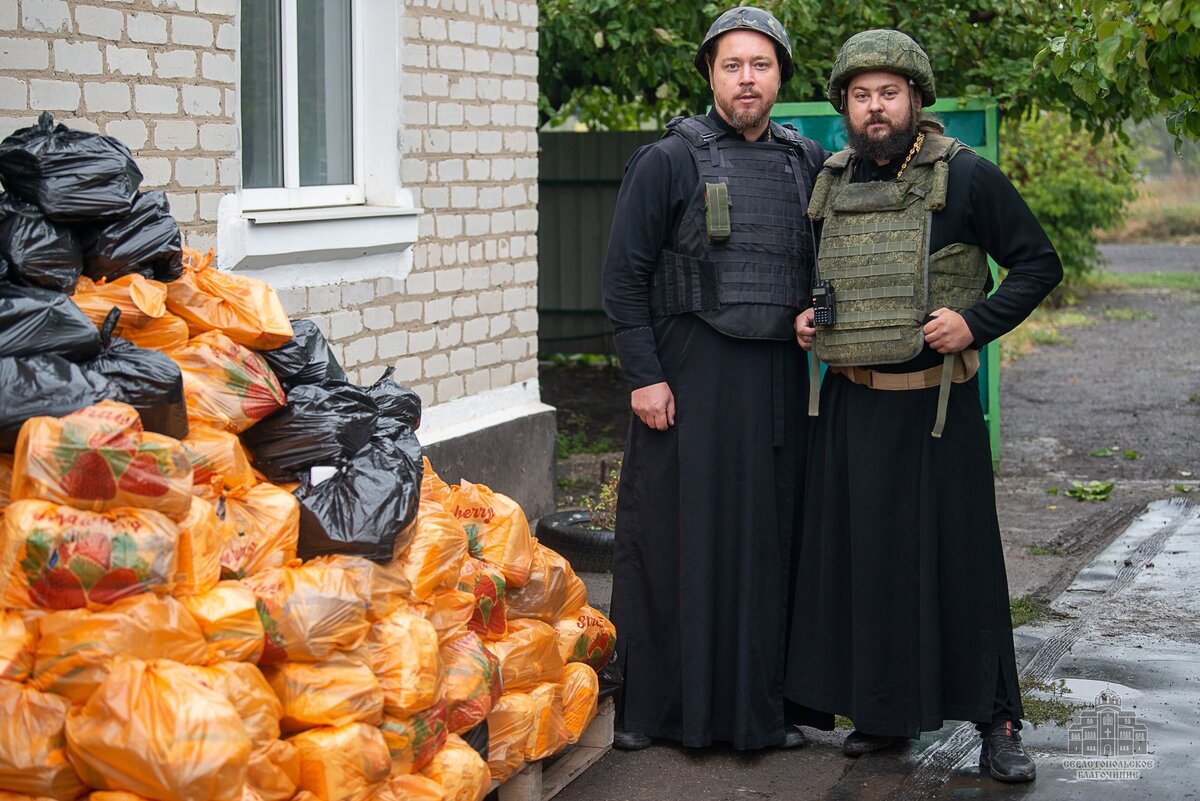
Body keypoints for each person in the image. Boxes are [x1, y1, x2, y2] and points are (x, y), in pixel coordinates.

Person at [785, 29, 1062, 783]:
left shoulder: (967, 177)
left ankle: (997, 721)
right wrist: (809, 318)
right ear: (845, 104)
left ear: (914, 100)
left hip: (937, 416)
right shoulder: (832, 182)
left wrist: (975, 322)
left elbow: (1039, 263)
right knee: (867, 567)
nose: (876, 108)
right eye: (862, 95)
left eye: (890, 94)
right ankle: (883, 714)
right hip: (853, 409)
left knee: (963, 569)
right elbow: (828, 279)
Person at [601, 6, 826, 751]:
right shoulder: (669, 159)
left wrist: (815, 316)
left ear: (780, 76)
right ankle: (658, 711)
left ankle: (763, 711)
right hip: (688, 382)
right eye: (732, 65)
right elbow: (624, 276)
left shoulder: (805, 163)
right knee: (677, 542)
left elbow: (820, 268)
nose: (747, 79)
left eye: (760, 65)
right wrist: (644, 376)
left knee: (771, 544)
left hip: (775, 387)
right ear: (709, 74)